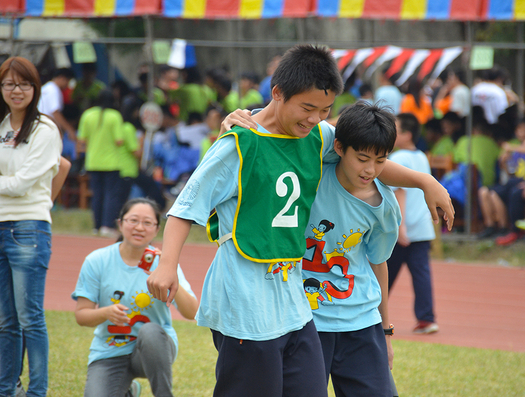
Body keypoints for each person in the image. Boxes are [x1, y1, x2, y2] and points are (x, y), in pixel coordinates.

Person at [146, 44, 454, 396]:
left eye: (324, 110)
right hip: (245, 297)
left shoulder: (317, 135)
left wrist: (425, 181)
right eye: (307, 108)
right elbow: (186, 208)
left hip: (293, 299)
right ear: (277, 93)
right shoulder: (238, 145)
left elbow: (363, 155)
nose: (314, 118)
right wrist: (167, 266)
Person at [301, 102, 400, 396]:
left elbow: (377, 264)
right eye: (362, 158)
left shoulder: (383, 206)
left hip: (361, 323)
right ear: (340, 148)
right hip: (305, 321)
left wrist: (386, 332)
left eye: (381, 161)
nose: (370, 170)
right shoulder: (311, 177)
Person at [73, 198, 198, 397]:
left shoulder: (164, 263)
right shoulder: (97, 260)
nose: (139, 227)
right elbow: (81, 316)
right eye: (133, 220)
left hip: (155, 348)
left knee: (150, 331)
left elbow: (191, 312)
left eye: (147, 223)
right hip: (110, 349)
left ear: (157, 229)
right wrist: (105, 312)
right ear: (120, 223)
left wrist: (170, 274)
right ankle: (128, 392)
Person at [0, 56, 62, 397]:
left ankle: (37, 391)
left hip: (28, 228)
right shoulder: (2, 124)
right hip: (0, 225)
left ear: (35, 88)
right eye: (9, 84)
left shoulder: (44, 129)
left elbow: (23, 183)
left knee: (30, 319)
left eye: (23, 84)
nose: (16, 90)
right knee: (5, 323)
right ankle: (6, 389)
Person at [388, 113, 438, 334]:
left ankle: (372, 316)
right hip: (422, 228)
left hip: (404, 229)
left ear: (407, 134)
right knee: (421, 275)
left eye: (395, 129)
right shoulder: (421, 157)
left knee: (384, 273)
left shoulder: (399, 159)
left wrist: (400, 227)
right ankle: (427, 318)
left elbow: (400, 192)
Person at [77, 89, 125, 237]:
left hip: (93, 162)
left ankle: (96, 226)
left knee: (97, 194)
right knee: (111, 195)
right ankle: (107, 225)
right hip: (111, 162)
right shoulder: (115, 116)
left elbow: (82, 139)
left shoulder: (88, 114)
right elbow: (119, 140)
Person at [38, 67, 76, 141]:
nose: (67, 85)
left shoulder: (46, 88)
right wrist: (70, 130)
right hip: (46, 127)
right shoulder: (54, 90)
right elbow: (55, 113)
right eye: (67, 81)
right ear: (62, 78)